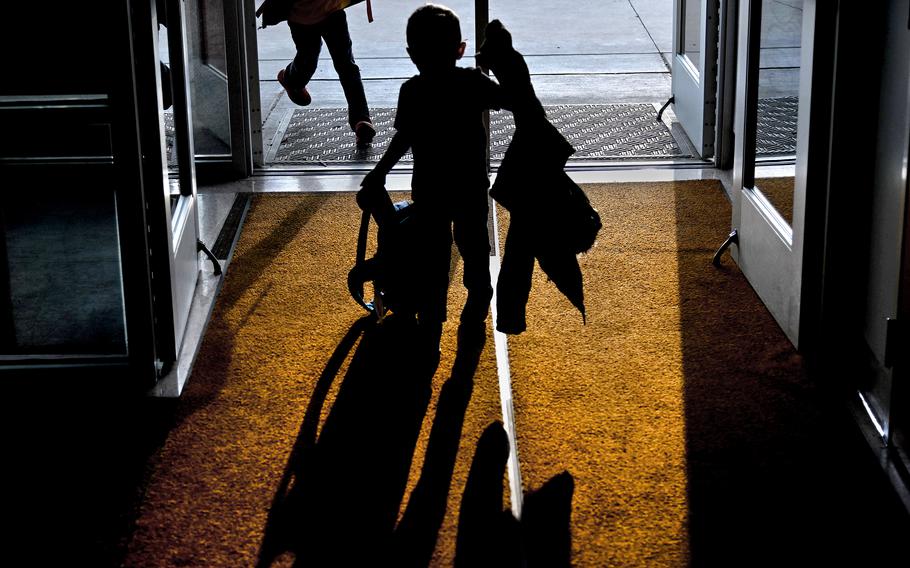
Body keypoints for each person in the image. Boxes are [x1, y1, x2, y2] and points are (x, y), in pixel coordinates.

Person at [359, 4, 508, 349]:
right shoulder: (473, 82)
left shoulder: (412, 91)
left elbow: (403, 139)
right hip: (469, 184)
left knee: (433, 253)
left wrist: (379, 173)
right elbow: (513, 99)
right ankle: (479, 292)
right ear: (460, 49)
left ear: (411, 54)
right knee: (472, 245)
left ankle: (432, 315)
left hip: (430, 187)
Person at [261, 0, 376, 146]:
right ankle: (290, 79)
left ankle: (361, 120)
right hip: (302, 18)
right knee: (309, 63)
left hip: (329, 13)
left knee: (345, 66)